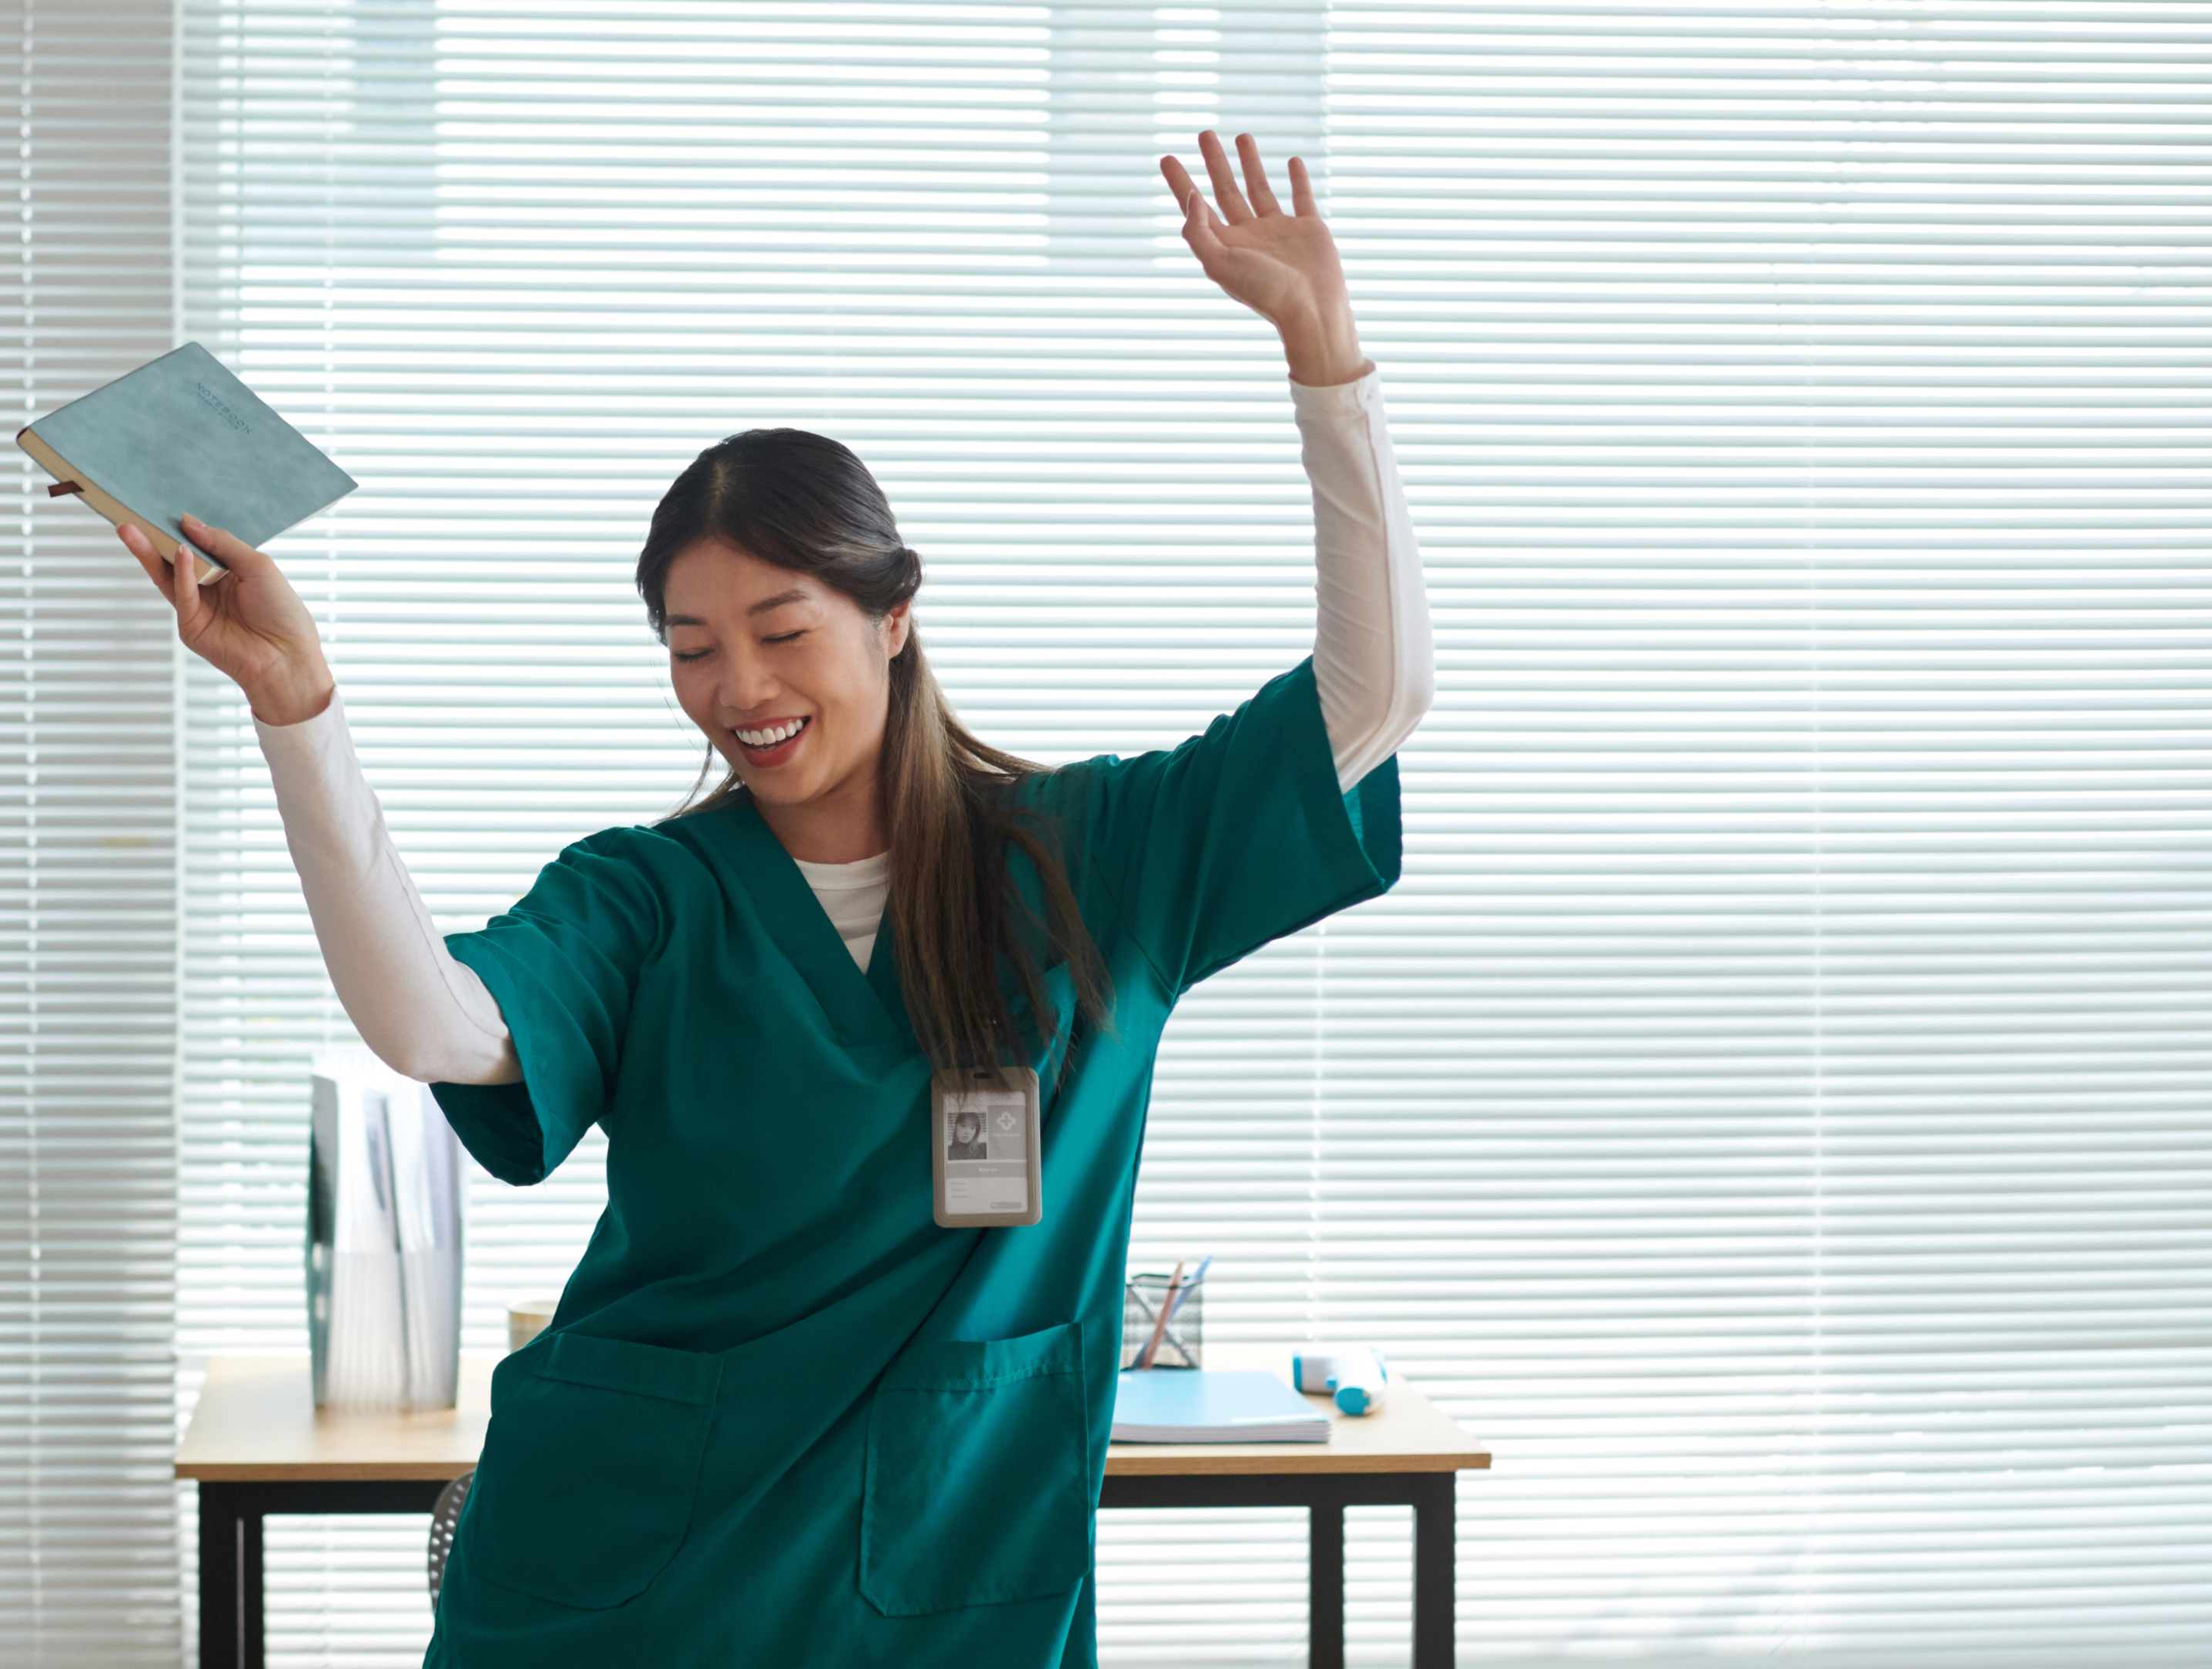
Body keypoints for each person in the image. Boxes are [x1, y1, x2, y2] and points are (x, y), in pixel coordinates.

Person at [123, 130, 1429, 1669]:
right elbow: (431, 1024)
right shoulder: (649, 901)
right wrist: (300, 708)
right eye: (690, 646)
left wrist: (1326, 365)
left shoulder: (1091, 866)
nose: (736, 687)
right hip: (621, 1587)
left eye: (779, 628)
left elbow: (1373, 697)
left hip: (943, 1586)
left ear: (893, 613)